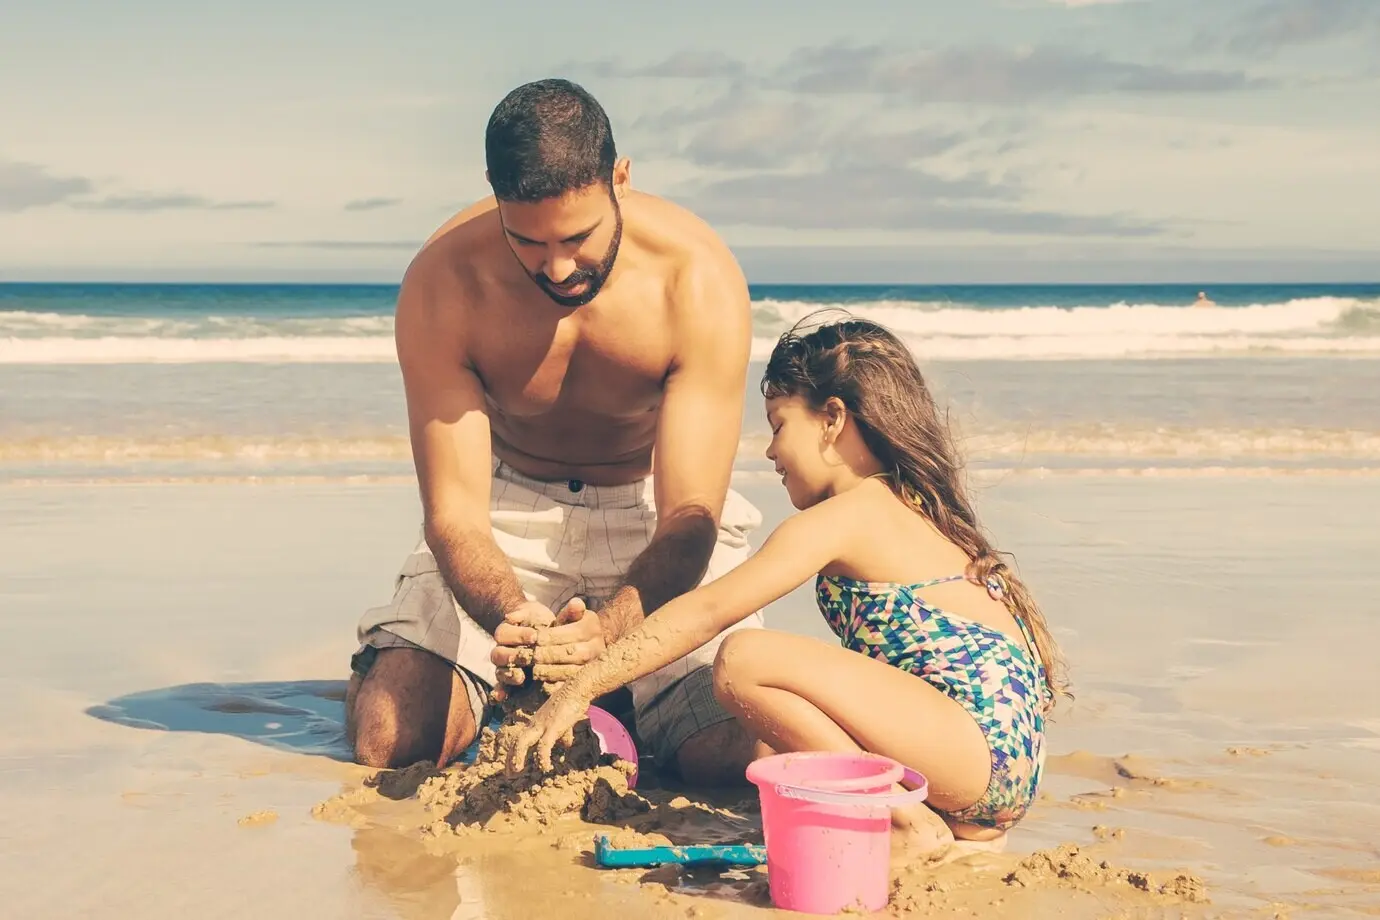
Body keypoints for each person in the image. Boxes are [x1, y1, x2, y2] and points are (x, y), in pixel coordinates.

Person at [504, 318, 1070, 848]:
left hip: (973, 753)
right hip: (995, 768)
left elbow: (710, 609)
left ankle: (904, 818)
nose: (772, 451)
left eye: (779, 426)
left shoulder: (853, 512)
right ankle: (928, 815)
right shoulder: (916, 507)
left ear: (833, 419)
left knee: (745, 658)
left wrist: (580, 688)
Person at [343, 77, 766, 785]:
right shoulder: (445, 282)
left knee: (732, 760)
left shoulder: (697, 279)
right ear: (494, 194)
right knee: (389, 742)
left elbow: (691, 515)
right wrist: (511, 617)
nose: (558, 267)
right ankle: (488, 687)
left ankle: (617, 700)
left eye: (577, 237)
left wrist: (610, 632)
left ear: (620, 180)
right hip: (508, 515)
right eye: (528, 241)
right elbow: (454, 513)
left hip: (651, 511)